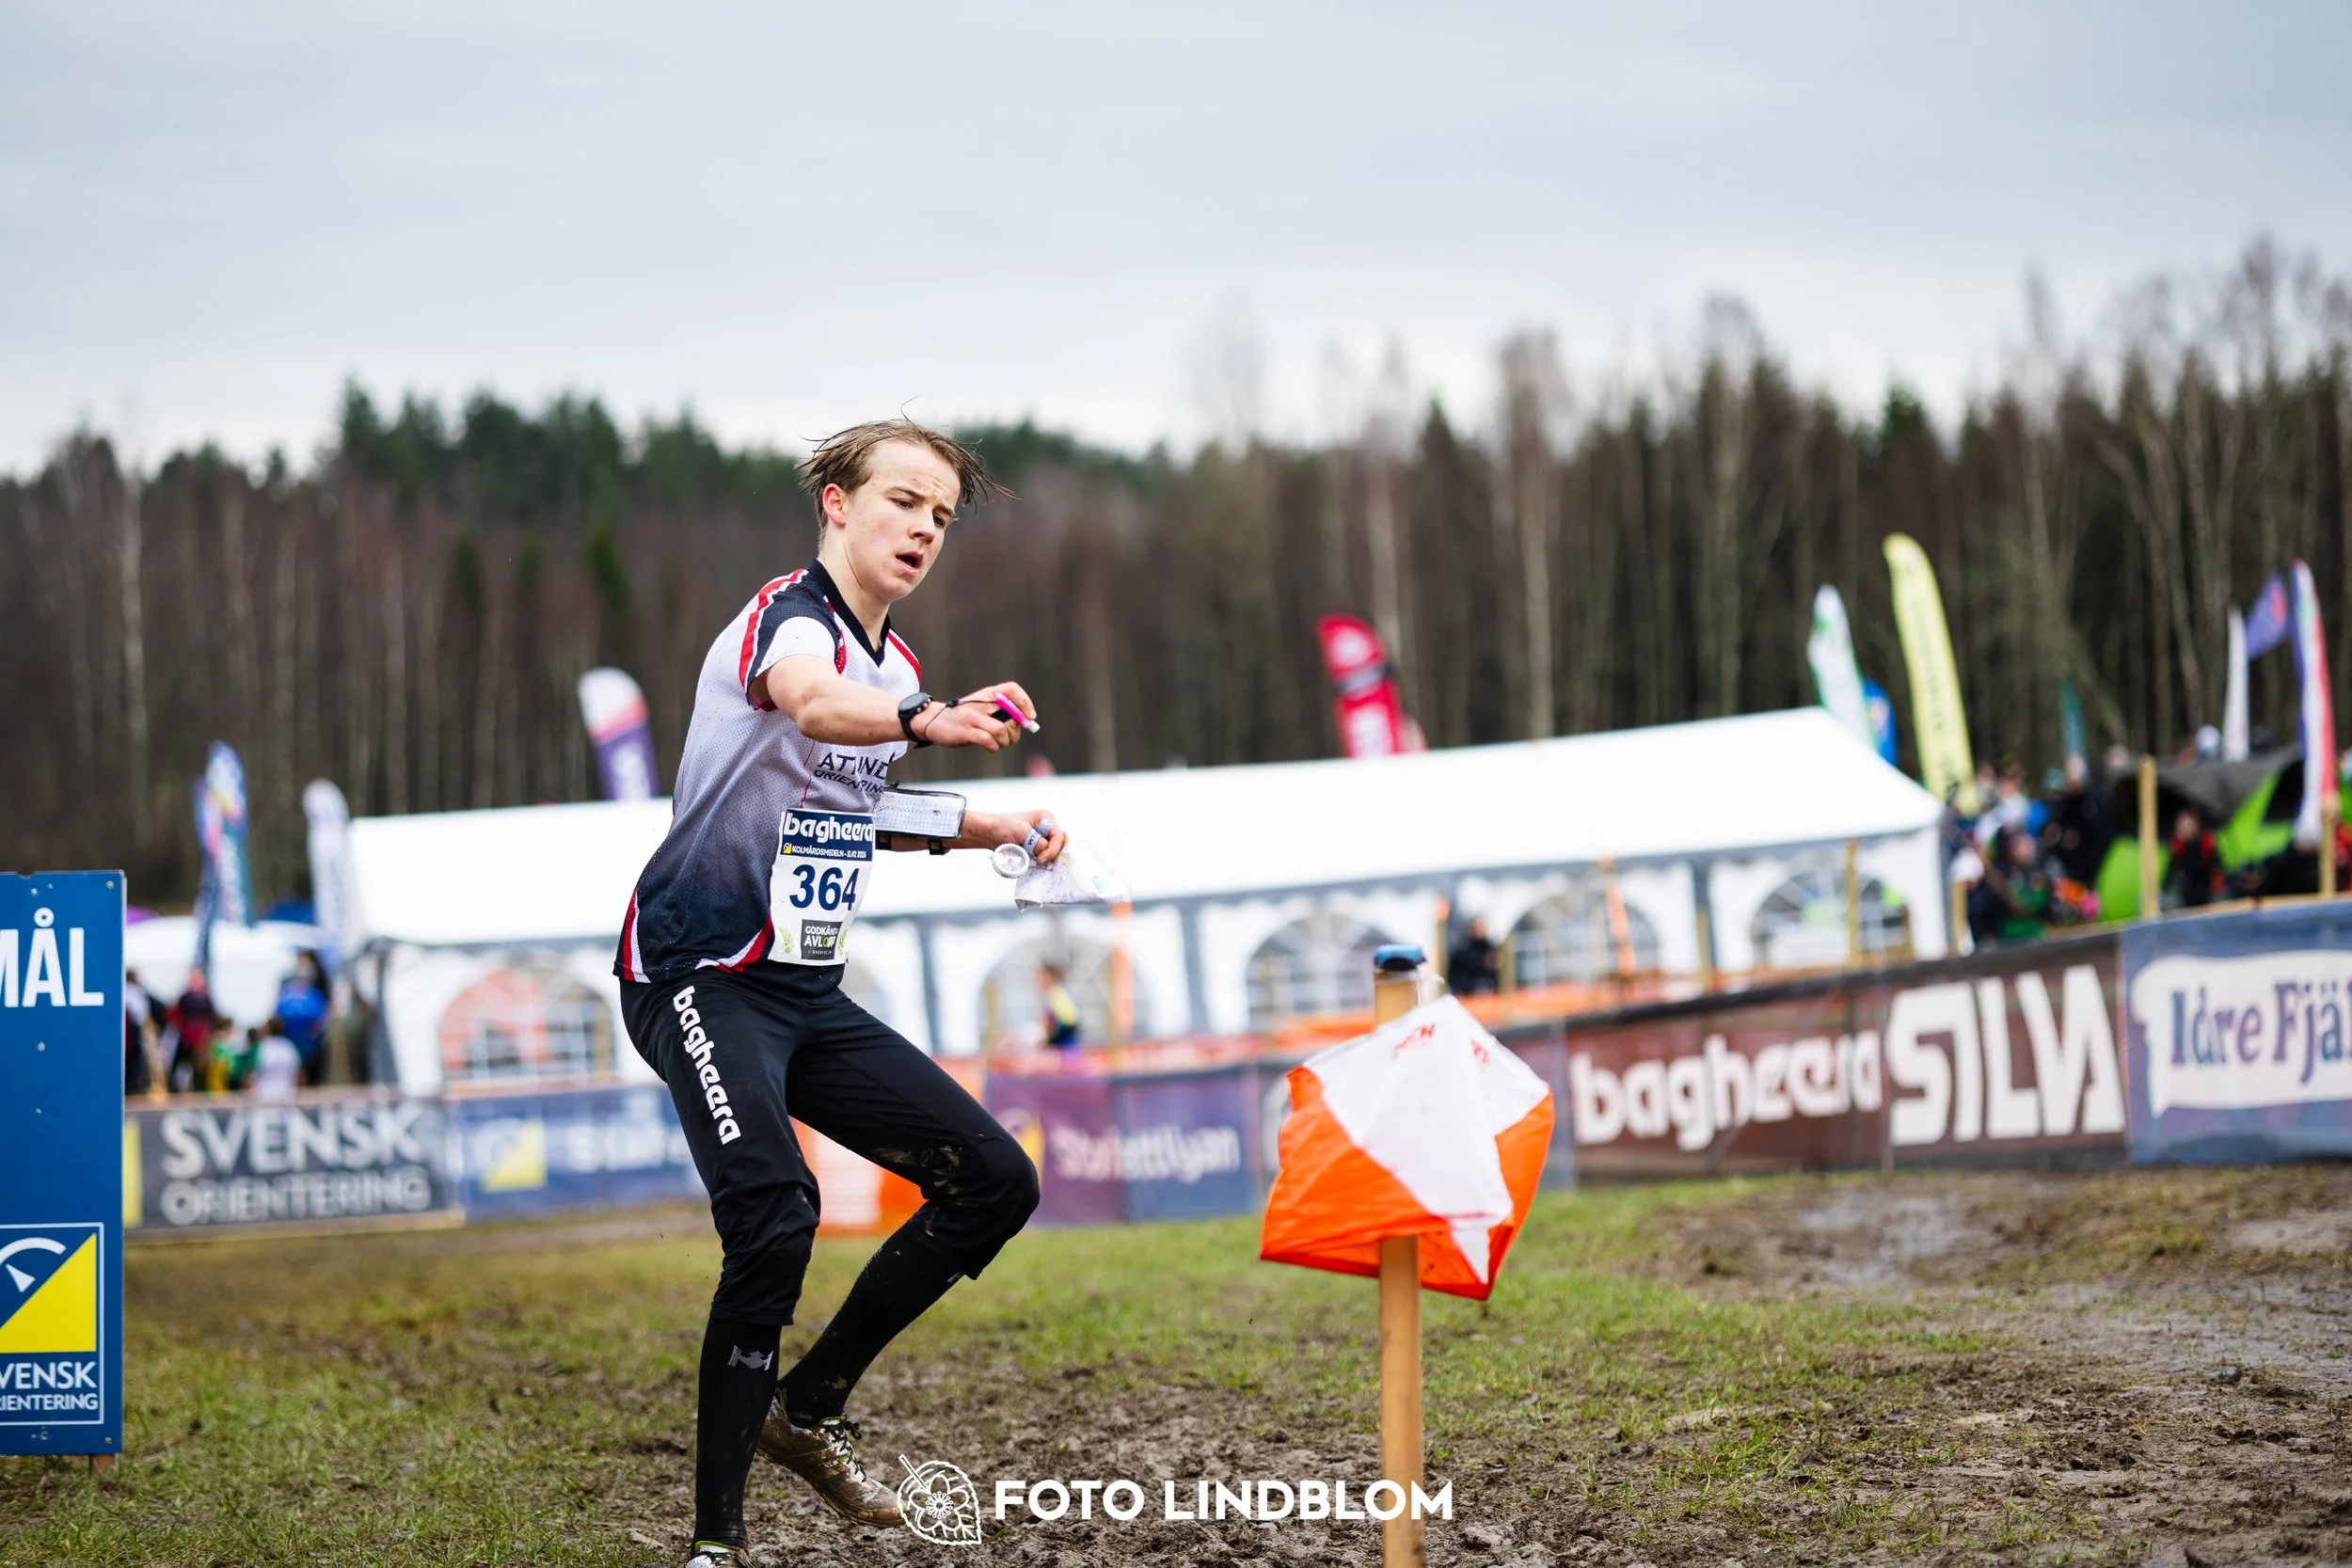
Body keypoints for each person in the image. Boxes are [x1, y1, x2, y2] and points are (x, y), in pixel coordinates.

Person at [614, 420, 1056, 1568]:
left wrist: (992, 827)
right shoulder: (788, 619)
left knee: (995, 1179)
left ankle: (806, 1406)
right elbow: (812, 706)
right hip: (699, 973)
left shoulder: (898, 668)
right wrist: (927, 719)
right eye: (902, 500)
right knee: (776, 1211)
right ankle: (716, 1540)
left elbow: (851, 807)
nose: (923, 529)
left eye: (940, 515)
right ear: (836, 503)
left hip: (805, 992)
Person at [275, 952, 332, 1085]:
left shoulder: (312, 996)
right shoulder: (292, 995)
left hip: (306, 1050)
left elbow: (321, 1021)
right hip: (298, 1049)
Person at [167, 971, 222, 1094]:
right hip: (198, 1038)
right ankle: (195, 1089)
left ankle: (174, 1088)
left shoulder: (187, 997)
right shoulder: (205, 998)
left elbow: (174, 1014)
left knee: (182, 1064)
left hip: (190, 1037)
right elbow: (214, 1018)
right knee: (196, 1067)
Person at [2167, 807, 2225, 909]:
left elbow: (2216, 867)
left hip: (2207, 892)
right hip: (2186, 894)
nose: (2183, 828)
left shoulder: (2206, 843)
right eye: (2181, 825)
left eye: (2187, 824)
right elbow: (2171, 872)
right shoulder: (2179, 846)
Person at [123, 969, 160, 1098]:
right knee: (134, 1060)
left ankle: (133, 1086)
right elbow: (141, 1013)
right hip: (132, 1029)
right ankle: (133, 1087)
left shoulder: (128, 991)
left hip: (131, 1029)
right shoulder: (132, 991)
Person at [249, 1016, 302, 1101]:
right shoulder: (290, 1047)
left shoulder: (261, 1047)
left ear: (268, 1029)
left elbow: (251, 1074)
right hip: (287, 1094)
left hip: (264, 1096)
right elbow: (299, 1074)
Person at [1447, 916, 1502, 995]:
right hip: (1469, 994)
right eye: (1477, 927)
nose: (1479, 930)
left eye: (1481, 927)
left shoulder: (1491, 950)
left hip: (1491, 993)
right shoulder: (1463, 952)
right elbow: (1456, 978)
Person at [1037, 961, 1082, 1049]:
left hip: (1065, 1048)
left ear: (1048, 978)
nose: (1038, 981)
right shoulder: (1051, 996)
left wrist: (1049, 1040)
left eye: (1041, 977)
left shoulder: (1057, 995)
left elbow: (1070, 1021)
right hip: (1061, 1047)